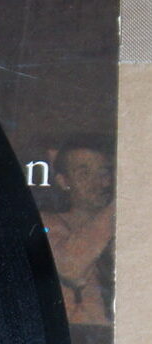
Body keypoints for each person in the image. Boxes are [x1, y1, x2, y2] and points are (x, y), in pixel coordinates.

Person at [42, 136, 115, 325]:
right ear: (63, 181)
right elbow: (71, 269)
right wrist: (120, 203)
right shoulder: (47, 223)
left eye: (104, 173)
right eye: (84, 174)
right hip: (80, 338)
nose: (99, 183)